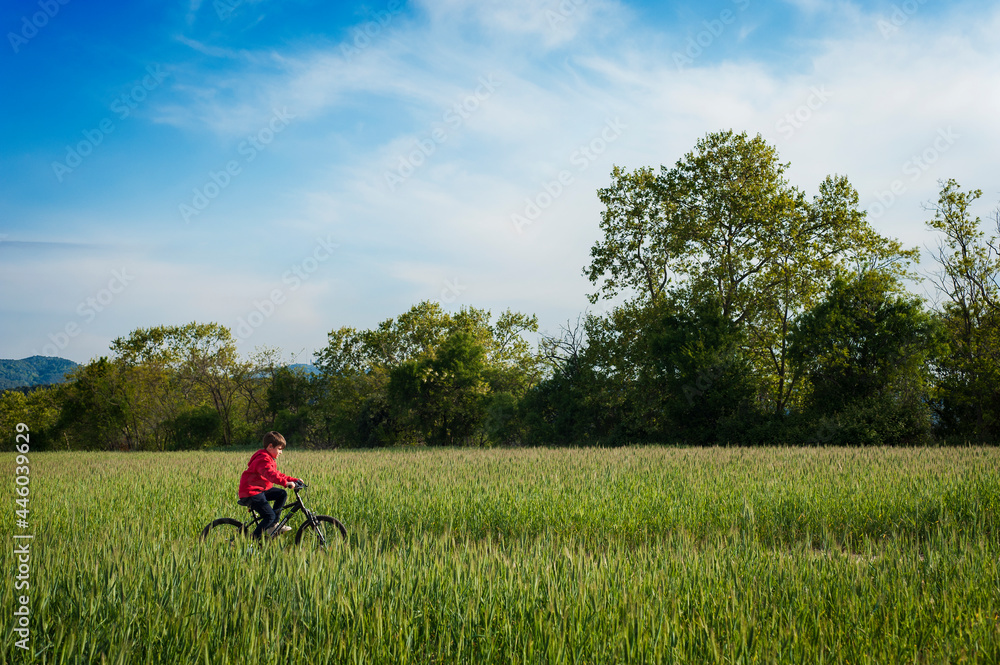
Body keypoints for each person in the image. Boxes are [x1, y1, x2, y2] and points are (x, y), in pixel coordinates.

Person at [238, 431, 301, 540]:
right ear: (270, 446)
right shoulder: (262, 459)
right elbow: (271, 475)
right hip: (251, 492)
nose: (281, 452)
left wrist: (294, 480)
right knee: (269, 516)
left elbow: (277, 474)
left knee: (281, 494)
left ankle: (273, 526)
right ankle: (252, 543)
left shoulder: (268, 458)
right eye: (280, 449)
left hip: (259, 490)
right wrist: (286, 483)